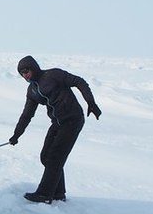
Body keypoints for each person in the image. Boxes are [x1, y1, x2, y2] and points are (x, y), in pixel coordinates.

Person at [8, 55, 102, 203]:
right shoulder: (32, 90)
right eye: (21, 73)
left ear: (33, 67)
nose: (24, 75)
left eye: (26, 71)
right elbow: (27, 115)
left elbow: (79, 82)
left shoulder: (53, 75)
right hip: (57, 123)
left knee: (55, 158)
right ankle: (58, 193)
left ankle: (44, 194)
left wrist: (91, 102)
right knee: (46, 157)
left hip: (72, 119)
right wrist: (16, 135)